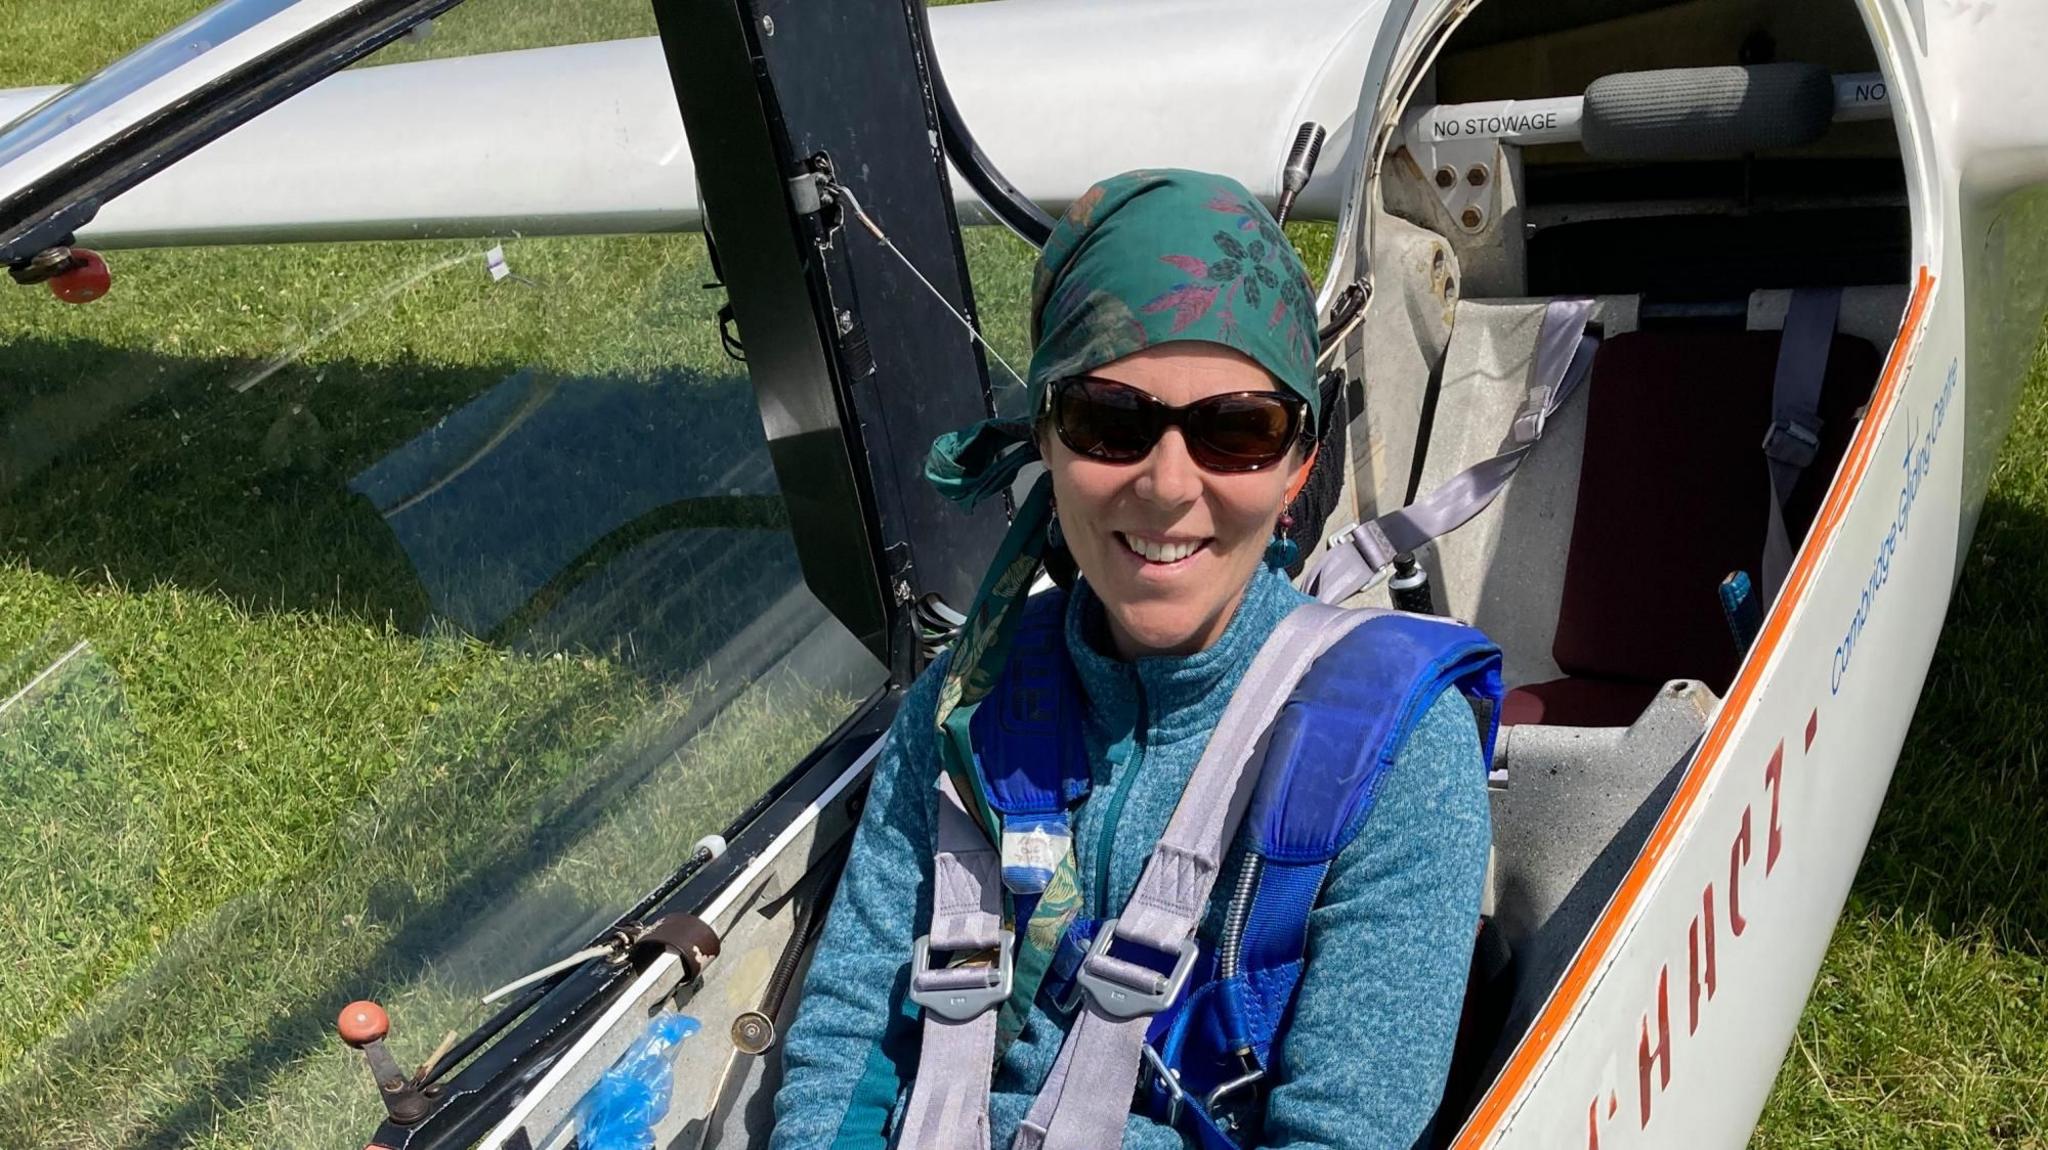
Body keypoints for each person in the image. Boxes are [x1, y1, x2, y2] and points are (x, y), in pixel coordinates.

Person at [770, 170, 1490, 1150]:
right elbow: (843, 1059)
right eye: (1110, 421)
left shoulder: (1398, 759)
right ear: (1046, 439)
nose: (1165, 486)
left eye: (1236, 431)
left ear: (1297, 467)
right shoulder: (959, 713)